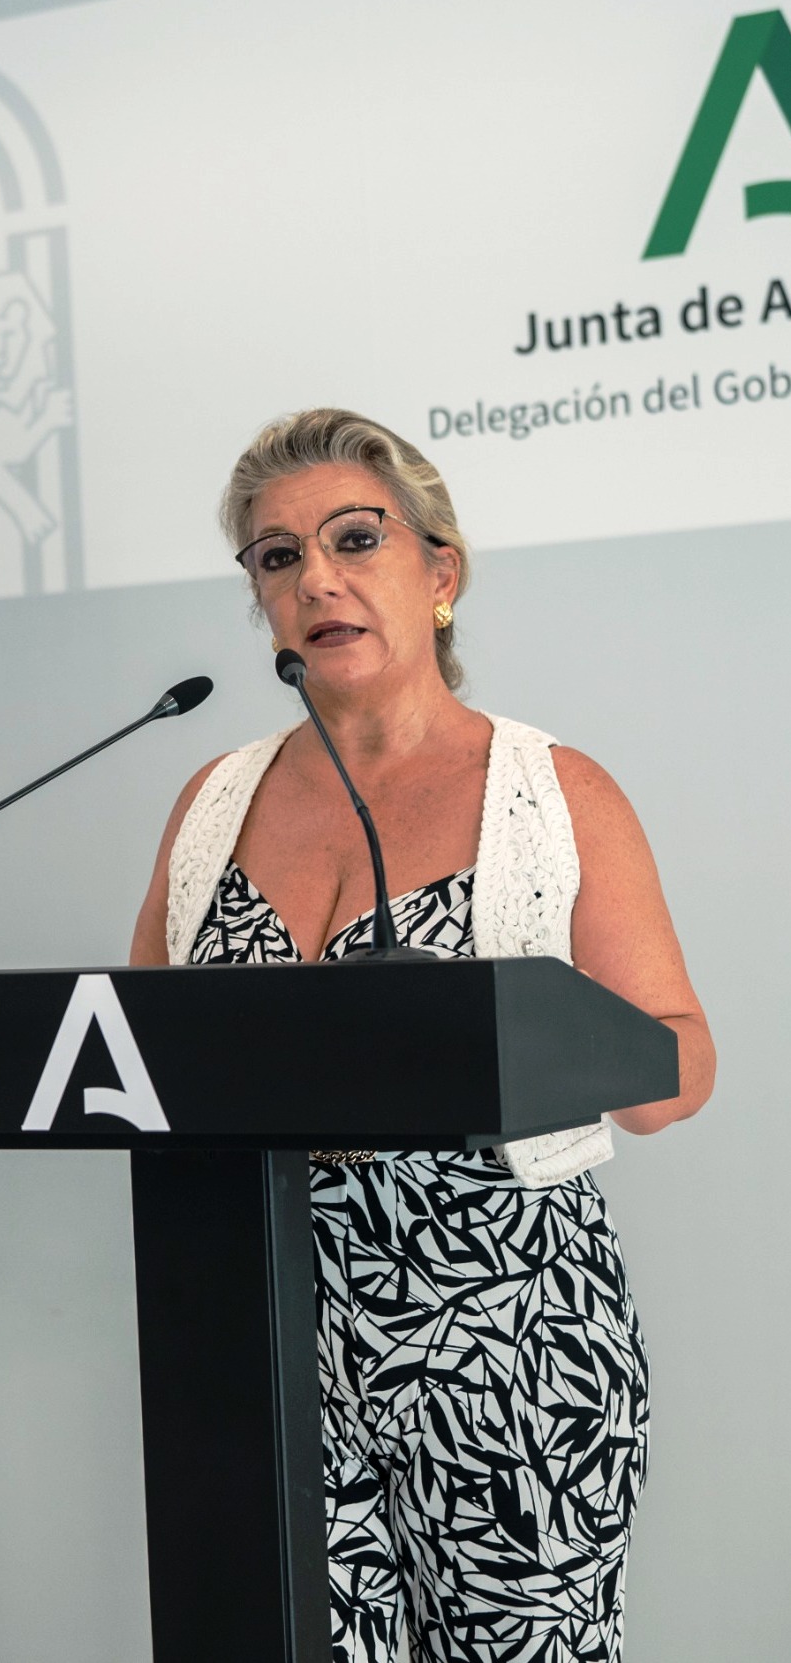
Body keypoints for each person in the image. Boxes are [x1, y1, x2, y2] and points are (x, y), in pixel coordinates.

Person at [129, 408, 715, 1663]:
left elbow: (678, 1067)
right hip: (263, 1345)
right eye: (276, 557)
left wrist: (529, 1039)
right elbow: (136, 1051)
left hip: (510, 1348)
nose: (316, 579)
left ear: (438, 573)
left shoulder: (552, 792)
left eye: (355, 538)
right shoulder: (212, 801)